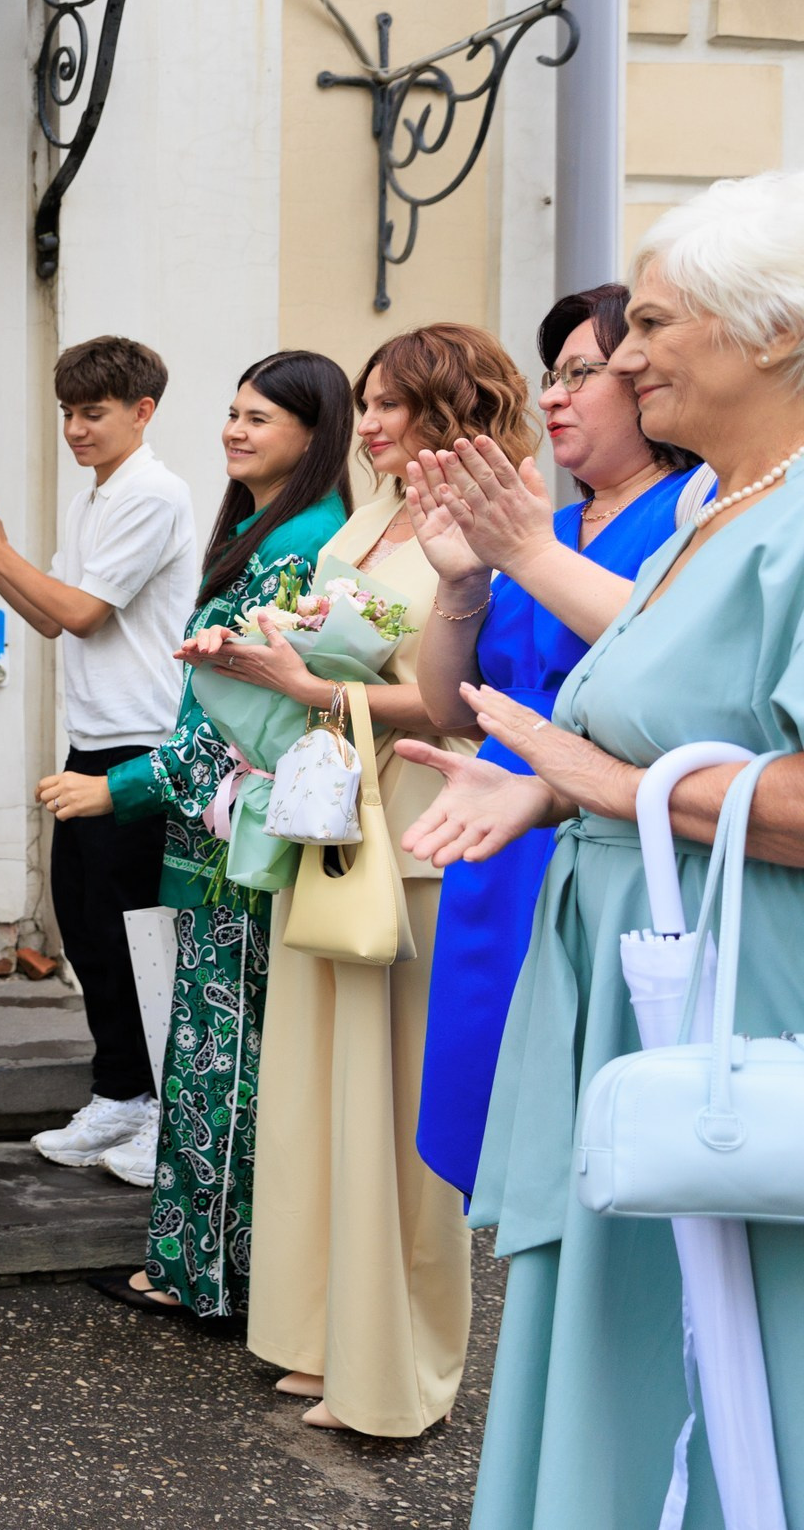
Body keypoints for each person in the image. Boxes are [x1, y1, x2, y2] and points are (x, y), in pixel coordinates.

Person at [401, 170, 804, 1530]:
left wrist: (607, 782)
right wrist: (550, 792)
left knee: (726, 1319)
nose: (626, 358)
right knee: (630, 1299)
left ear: (782, 330)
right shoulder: (714, 508)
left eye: (652, 323)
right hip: (643, 973)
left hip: (736, 986)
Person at [200, 322, 536, 1437]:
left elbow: (456, 699)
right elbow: (346, 638)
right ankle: (318, 1330)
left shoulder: (491, 511)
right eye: (369, 402)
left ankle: (399, 1365)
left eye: (392, 404)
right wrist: (274, 648)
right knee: (318, 1086)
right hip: (335, 805)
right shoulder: (374, 506)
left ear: (452, 408)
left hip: (415, 808)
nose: (372, 422)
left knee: (396, 1107)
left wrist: (302, 680)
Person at [49, 352, 355, 1320]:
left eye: (259, 418)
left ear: (314, 433)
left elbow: (245, 717)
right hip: (219, 828)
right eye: (232, 412)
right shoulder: (265, 532)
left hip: (241, 833)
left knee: (223, 1059)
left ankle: (208, 1279)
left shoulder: (299, 545)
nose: (234, 430)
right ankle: (208, 1272)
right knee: (208, 1051)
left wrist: (122, 789)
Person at [403, 288, 700, 1199]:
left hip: (605, 820)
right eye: (554, 376)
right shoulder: (554, 526)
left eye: (584, 374)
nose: (555, 397)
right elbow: (450, 701)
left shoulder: (696, 506)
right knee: (492, 1086)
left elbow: (664, 655)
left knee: (595, 1107)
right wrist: (462, 578)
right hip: (494, 824)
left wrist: (526, 556)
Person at [0, 336, 198, 1185]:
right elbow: (50, 616)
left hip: (143, 741)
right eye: (69, 413)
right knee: (86, 923)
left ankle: (163, 1108)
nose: (76, 428)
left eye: (94, 412)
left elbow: (80, 612)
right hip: (96, 734)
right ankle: (119, 1092)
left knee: (139, 934)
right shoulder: (97, 498)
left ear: (142, 412)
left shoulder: (153, 494)